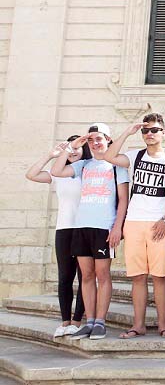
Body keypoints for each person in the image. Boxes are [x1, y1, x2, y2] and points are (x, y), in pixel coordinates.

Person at [104, 113, 165, 340]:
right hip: (134, 222)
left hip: (160, 223)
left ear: (163, 132)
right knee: (138, 276)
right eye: (145, 131)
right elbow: (109, 156)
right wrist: (127, 132)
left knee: (159, 276)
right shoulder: (135, 155)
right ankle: (138, 325)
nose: (149, 134)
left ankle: (162, 324)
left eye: (154, 130)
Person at [50, 123, 128, 341]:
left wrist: (117, 227)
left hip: (103, 227)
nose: (95, 143)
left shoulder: (116, 165)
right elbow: (57, 171)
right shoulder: (83, 165)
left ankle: (100, 322)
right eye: (91, 140)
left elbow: (123, 199)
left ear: (108, 140)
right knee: (86, 276)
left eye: (99, 139)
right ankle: (90, 320)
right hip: (81, 227)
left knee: (103, 275)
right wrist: (72, 145)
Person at [25, 137, 87, 337]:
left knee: (85, 277)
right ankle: (65, 321)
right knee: (65, 278)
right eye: (71, 148)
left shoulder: (89, 171)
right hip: (64, 229)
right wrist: (51, 155)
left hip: (85, 229)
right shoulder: (58, 174)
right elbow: (31, 174)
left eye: (78, 147)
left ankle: (77, 321)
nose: (74, 151)